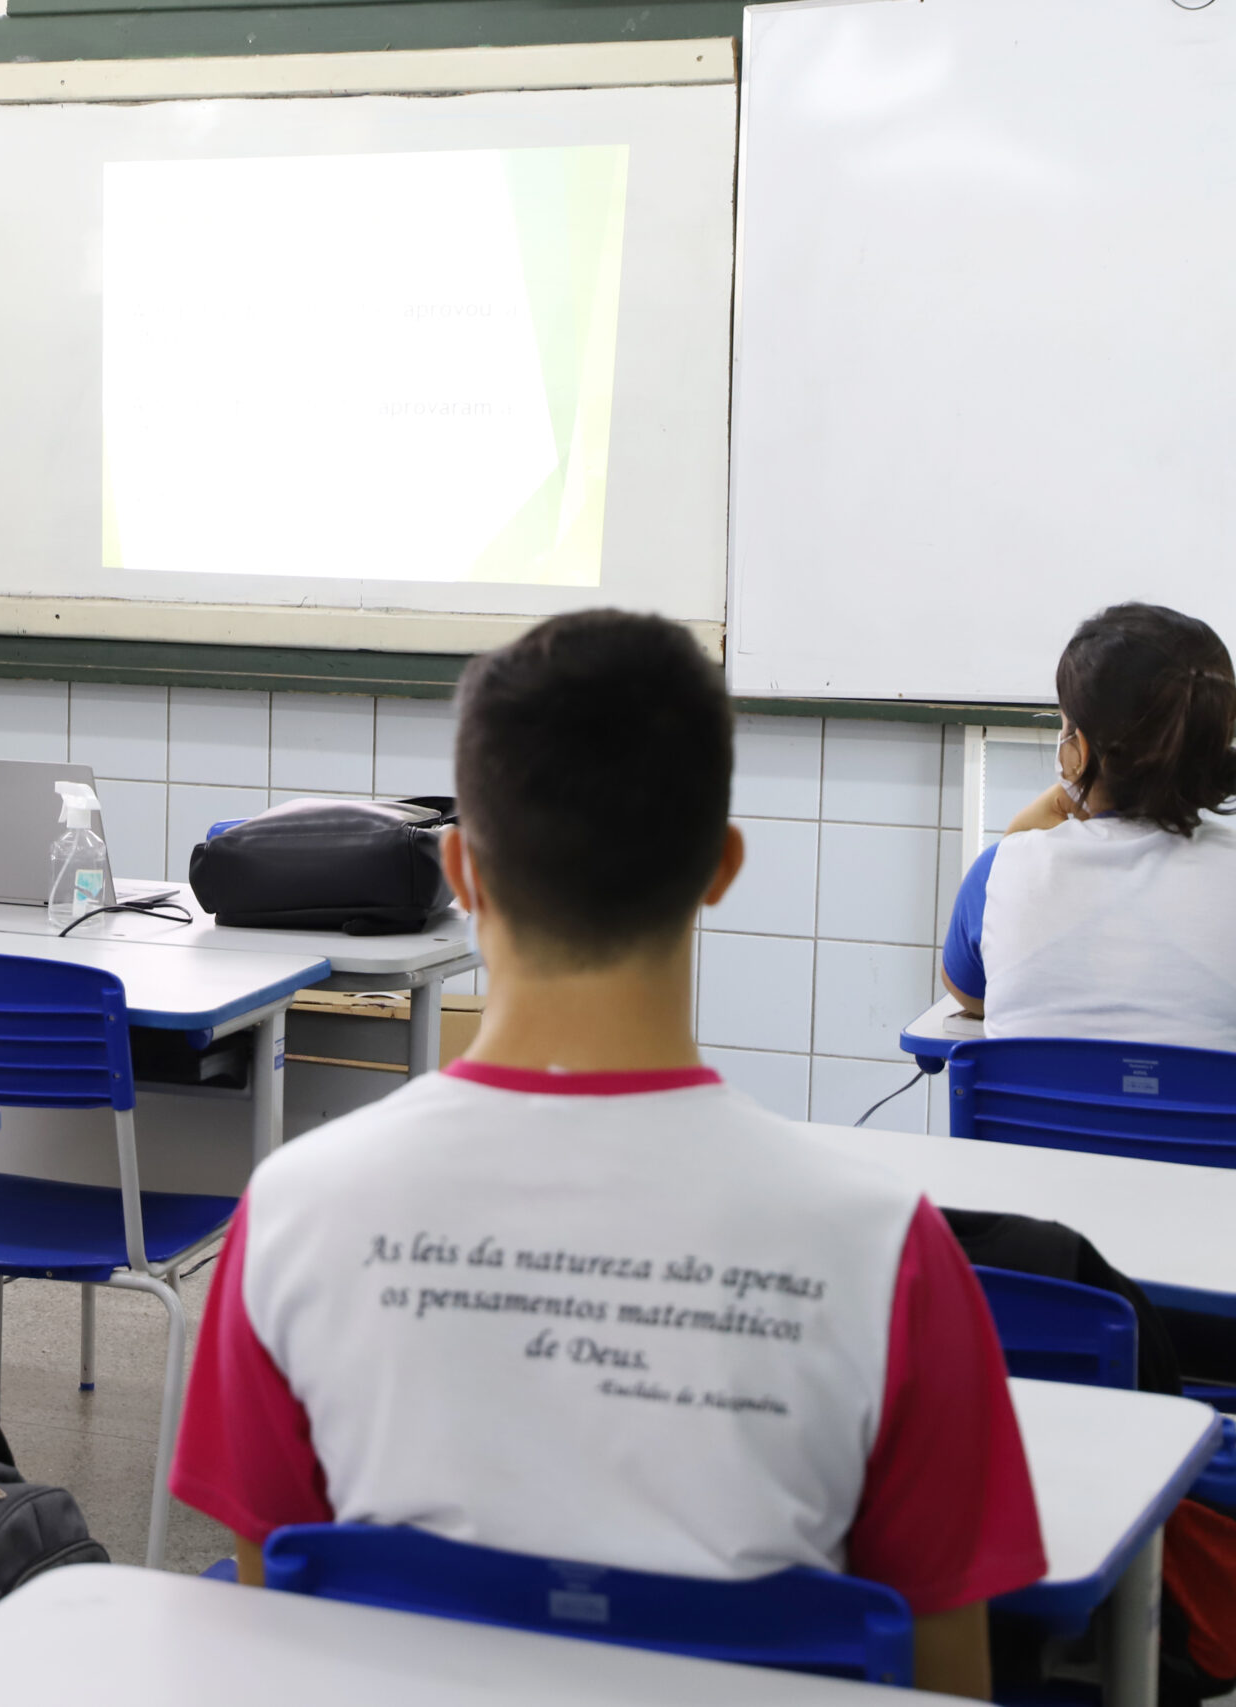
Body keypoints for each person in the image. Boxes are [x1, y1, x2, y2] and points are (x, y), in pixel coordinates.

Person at [169, 610, 1044, 1699]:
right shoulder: (886, 1250)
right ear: (720, 866)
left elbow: (276, 1625)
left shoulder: (294, 1211)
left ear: (460, 870)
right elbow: (946, 1678)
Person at [941, 602, 1236, 1048]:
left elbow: (973, 995)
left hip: (1036, 1100)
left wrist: (1020, 838)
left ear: (1076, 749)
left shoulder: (1000, 871)